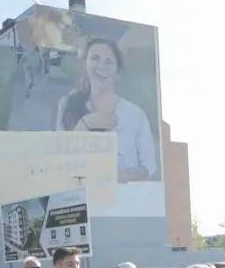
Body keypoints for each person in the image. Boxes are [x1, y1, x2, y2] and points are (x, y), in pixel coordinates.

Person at [56, 36, 159, 183]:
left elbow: (149, 166)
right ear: (85, 64)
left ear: (118, 70)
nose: (101, 66)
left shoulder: (135, 114)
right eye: (95, 58)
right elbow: (58, 161)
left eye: (109, 61)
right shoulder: (67, 104)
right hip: (80, 200)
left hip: (124, 200)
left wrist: (118, 176)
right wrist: (85, 123)